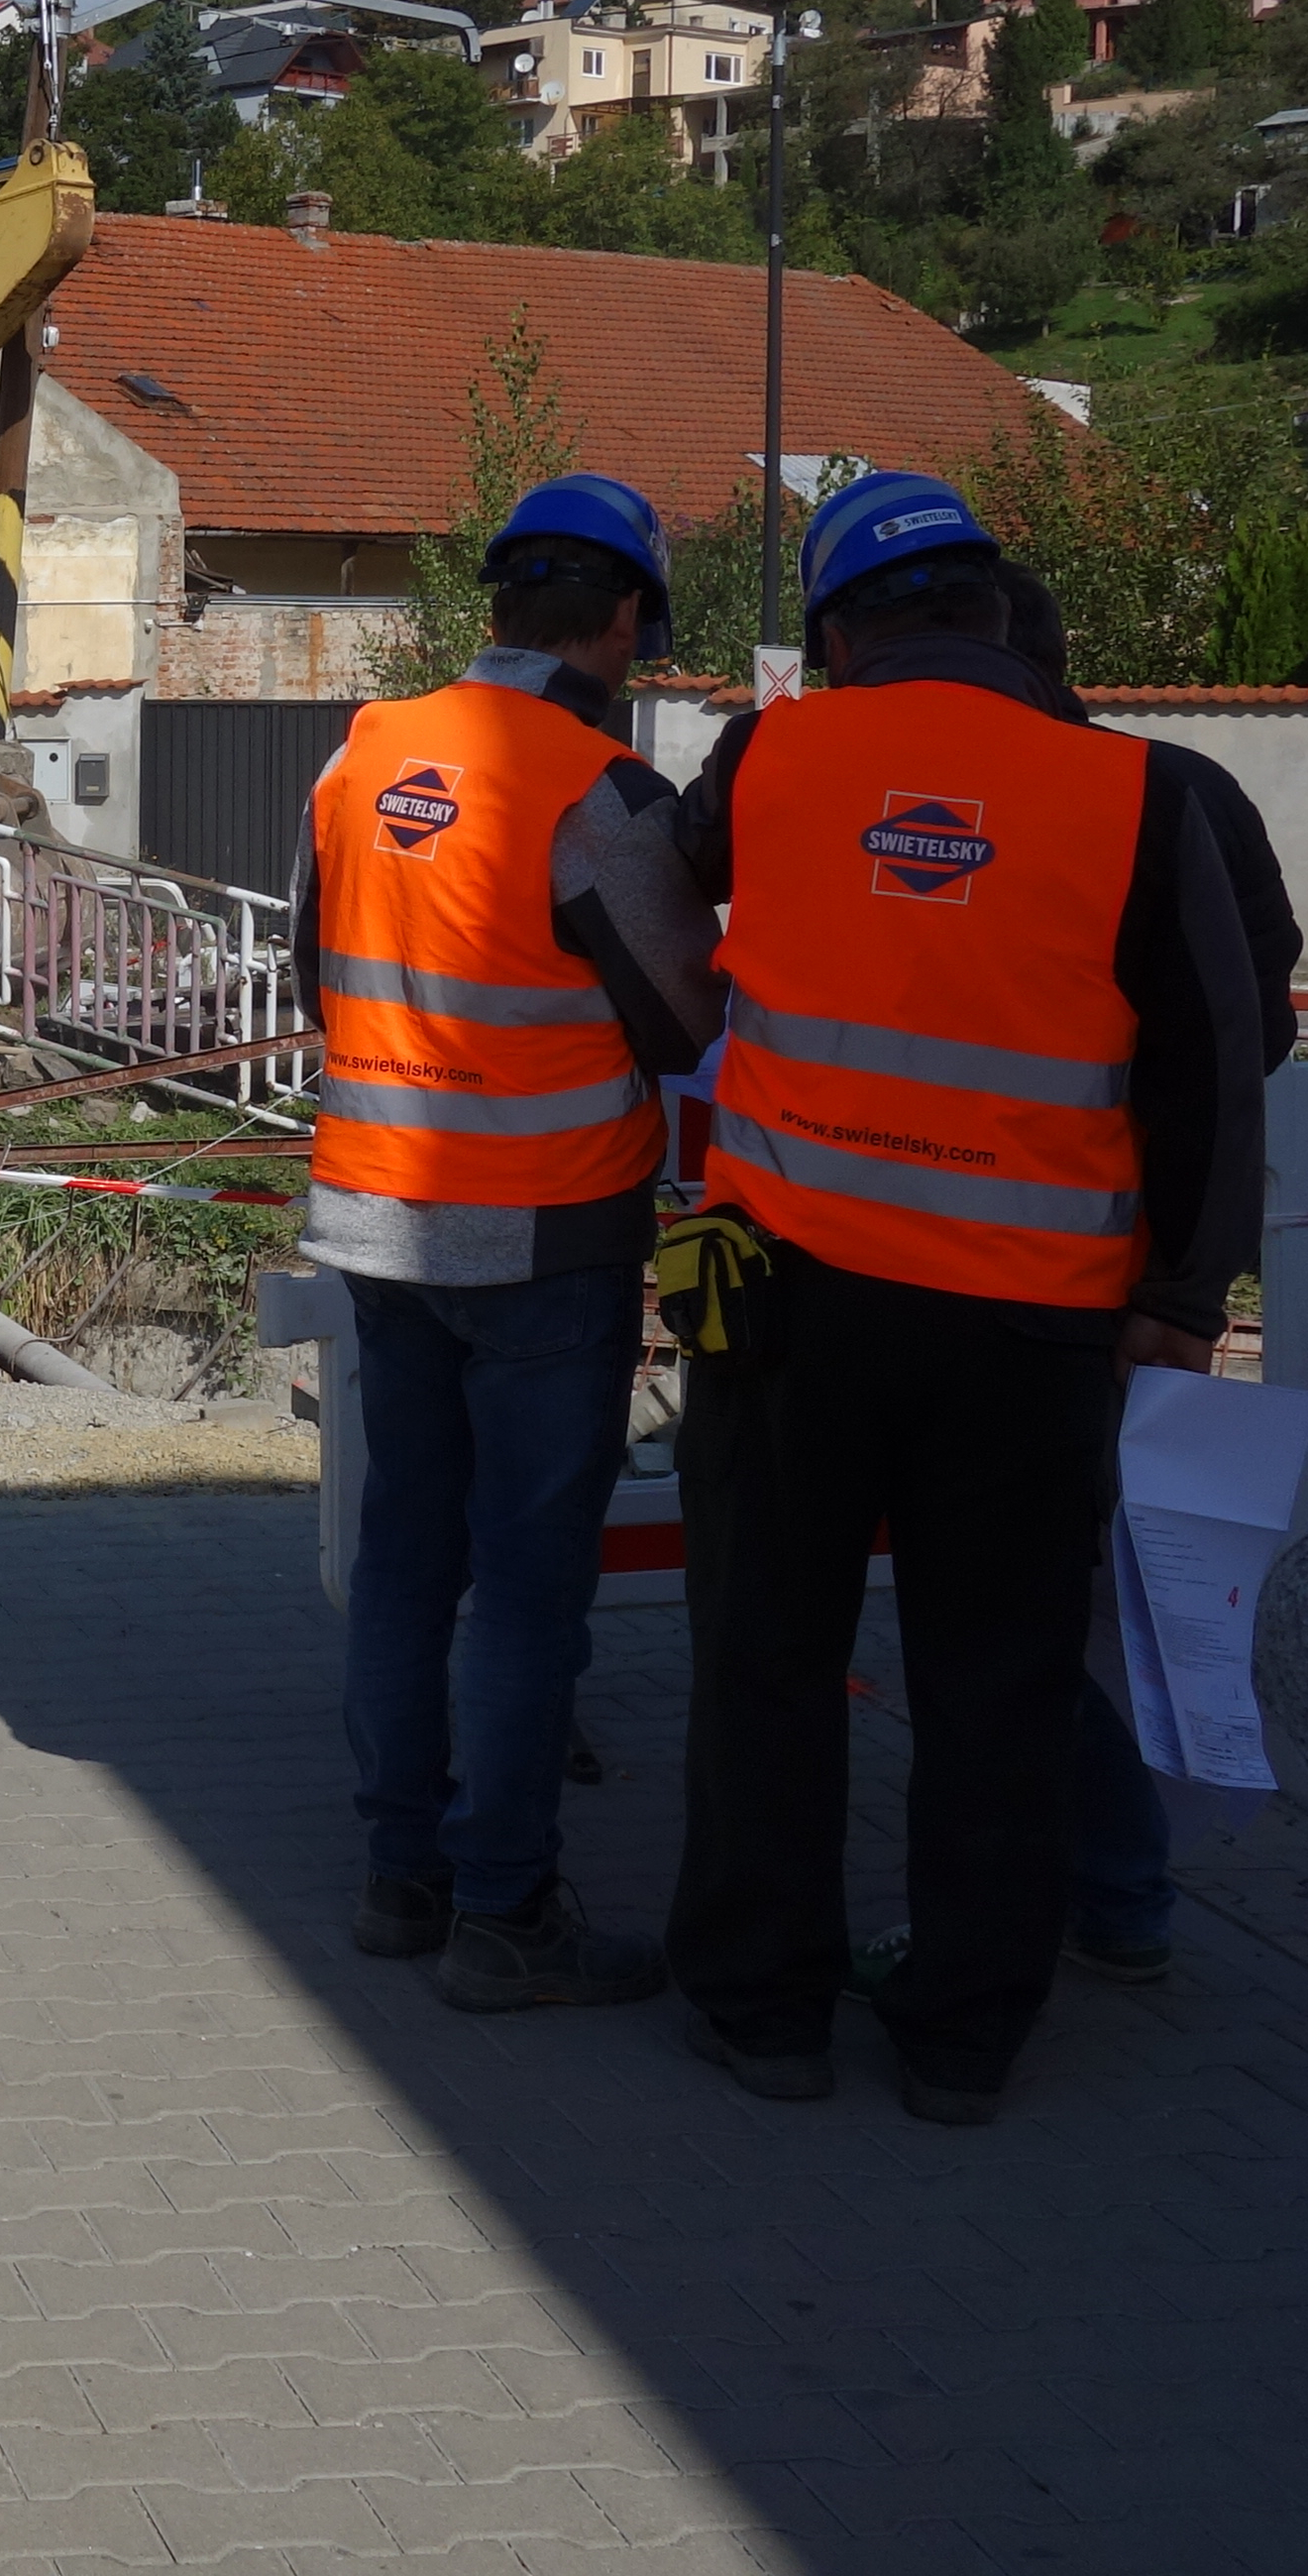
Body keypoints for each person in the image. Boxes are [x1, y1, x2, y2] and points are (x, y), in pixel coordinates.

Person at [663, 475, 1269, 2122]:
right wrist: (1184, 1296)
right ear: (995, 613)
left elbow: (643, 885)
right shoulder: (1133, 793)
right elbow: (1220, 1056)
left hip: (778, 1297)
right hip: (1030, 1323)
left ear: (840, 632)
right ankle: (959, 2036)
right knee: (992, 1679)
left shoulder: (771, 753)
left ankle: (764, 2011)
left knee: (765, 1654)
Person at [295, 474, 724, 2013]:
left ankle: (399, 1883)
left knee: (407, 1556)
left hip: (376, 1220)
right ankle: (505, 1914)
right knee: (530, 1588)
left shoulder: (361, 754)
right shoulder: (595, 788)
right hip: (546, 1236)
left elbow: (311, 965)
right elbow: (685, 1018)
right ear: (625, 622)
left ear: (494, 610)